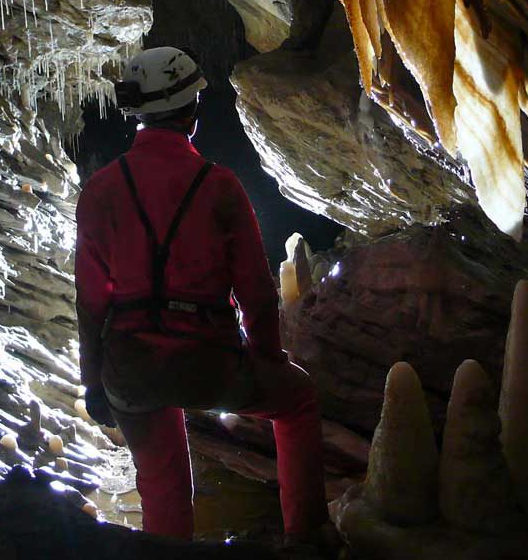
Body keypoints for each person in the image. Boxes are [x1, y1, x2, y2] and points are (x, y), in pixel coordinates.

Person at [74, 46, 337, 550]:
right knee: (298, 398)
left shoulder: (101, 191)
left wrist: (93, 383)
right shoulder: (219, 187)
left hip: (131, 369)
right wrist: (266, 357)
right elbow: (257, 293)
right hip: (210, 364)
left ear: (136, 115)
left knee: (163, 480)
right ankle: (307, 538)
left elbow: (91, 301)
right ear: (192, 113)